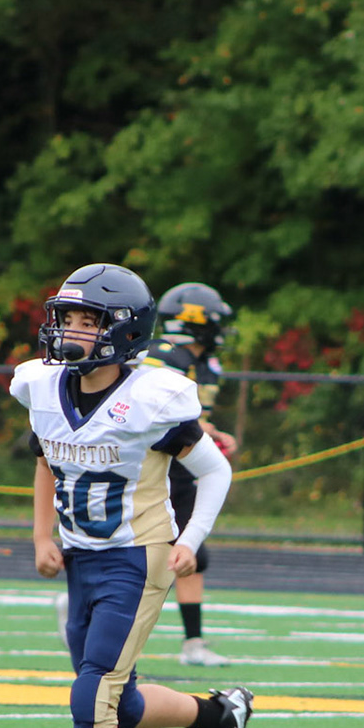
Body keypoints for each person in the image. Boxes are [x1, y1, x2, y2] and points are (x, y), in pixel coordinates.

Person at [14, 262, 254, 728]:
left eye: (87, 321)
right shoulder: (42, 385)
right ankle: (217, 713)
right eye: (66, 318)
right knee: (117, 707)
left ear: (122, 330)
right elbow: (45, 460)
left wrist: (190, 540)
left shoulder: (151, 396)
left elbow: (214, 470)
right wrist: (41, 535)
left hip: (136, 555)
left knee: (93, 691)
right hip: (80, 558)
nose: (70, 331)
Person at [139, 282, 239, 667]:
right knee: (161, 550)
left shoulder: (205, 364)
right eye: (215, 322)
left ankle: (193, 643)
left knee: (190, 551)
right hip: (153, 468)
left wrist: (212, 436)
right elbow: (152, 408)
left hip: (181, 469)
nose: (220, 330)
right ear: (196, 322)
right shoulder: (162, 356)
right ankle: (87, 604)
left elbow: (193, 423)